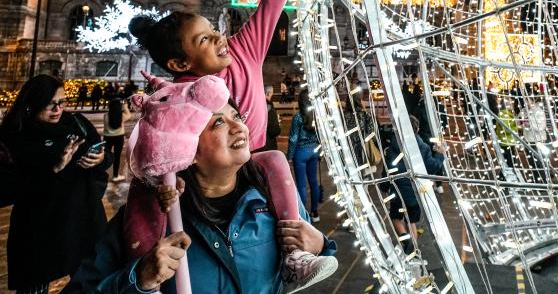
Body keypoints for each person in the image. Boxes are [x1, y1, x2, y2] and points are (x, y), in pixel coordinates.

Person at [123, 0, 317, 276]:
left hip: (252, 163)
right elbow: (154, 144)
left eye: (215, 31)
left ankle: (297, 251)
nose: (219, 39)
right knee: (146, 199)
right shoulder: (178, 94)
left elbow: (269, 6)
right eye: (204, 40)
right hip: (199, 179)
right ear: (180, 62)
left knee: (276, 164)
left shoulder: (244, 51)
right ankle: (140, 269)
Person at [65, 102, 338, 294]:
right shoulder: (149, 219)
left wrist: (320, 245)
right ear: (188, 150)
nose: (237, 126)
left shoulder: (273, 200)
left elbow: (303, 264)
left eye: (237, 116)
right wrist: (139, 278)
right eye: (219, 122)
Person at [0, 75, 111, 293]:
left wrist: (100, 159)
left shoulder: (76, 122)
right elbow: (6, 189)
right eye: (50, 104)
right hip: (39, 228)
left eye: (62, 102)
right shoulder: (14, 136)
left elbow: (104, 155)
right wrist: (54, 168)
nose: (58, 109)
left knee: (89, 285)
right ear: (31, 104)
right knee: (34, 286)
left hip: (83, 220)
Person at [384, 116, 445, 253]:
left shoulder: (393, 145)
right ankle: (414, 249)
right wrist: (440, 155)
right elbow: (431, 167)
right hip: (414, 191)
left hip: (397, 190)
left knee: (396, 217)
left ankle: (405, 238)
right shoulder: (422, 147)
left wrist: (385, 186)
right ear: (417, 129)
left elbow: (387, 167)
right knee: (411, 221)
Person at [287, 89, 322, 223]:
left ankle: (304, 215)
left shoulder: (298, 117)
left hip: (300, 152)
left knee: (301, 185)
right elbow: (320, 136)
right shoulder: (316, 115)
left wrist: (289, 156)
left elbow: (293, 138)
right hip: (314, 150)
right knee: (313, 182)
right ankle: (315, 212)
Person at [104, 96, 130, 182]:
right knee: (117, 156)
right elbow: (129, 115)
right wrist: (125, 106)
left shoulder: (106, 115)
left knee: (105, 155)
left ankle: (102, 174)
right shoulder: (122, 115)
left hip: (107, 137)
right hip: (119, 137)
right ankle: (115, 175)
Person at [257, 85, 281, 152]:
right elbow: (274, 131)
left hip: (255, 145)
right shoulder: (269, 108)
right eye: (272, 94)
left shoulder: (254, 105)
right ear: (268, 93)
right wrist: (277, 123)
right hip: (267, 145)